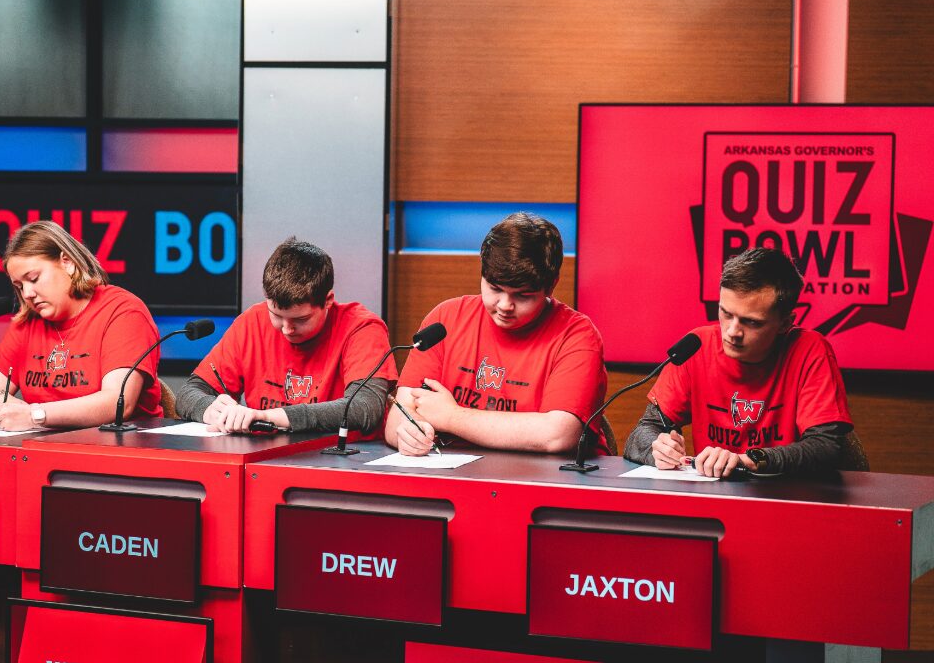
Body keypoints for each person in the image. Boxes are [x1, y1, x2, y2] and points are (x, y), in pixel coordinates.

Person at [385, 213, 609, 456]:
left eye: (522, 295)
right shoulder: (445, 319)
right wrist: (407, 434)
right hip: (455, 475)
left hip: (548, 481)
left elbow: (557, 435)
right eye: (494, 289)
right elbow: (400, 414)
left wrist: (451, 417)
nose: (504, 305)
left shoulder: (577, 335)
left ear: (551, 286)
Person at [624, 247, 853, 478]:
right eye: (725, 313)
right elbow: (642, 432)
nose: (733, 332)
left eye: (751, 323)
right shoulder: (696, 347)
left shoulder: (810, 350)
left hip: (786, 495)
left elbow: (826, 448)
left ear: (785, 324)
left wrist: (749, 460)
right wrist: (657, 448)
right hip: (715, 498)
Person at [175, 237, 396, 434]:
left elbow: (365, 409)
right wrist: (212, 410)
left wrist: (269, 417)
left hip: (341, 463)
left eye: (300, 320)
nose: (287, 329)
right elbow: (188, 393)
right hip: (261, 462)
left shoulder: (362, 328)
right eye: (277, 315)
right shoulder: (252, 321)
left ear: (327, 301)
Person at [0, 220, 162, 430]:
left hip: (122, 450)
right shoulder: (29, 321)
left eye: (33, 279)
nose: (27, 294)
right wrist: (0, 402)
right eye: (19, 286)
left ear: (67, 262)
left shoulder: (123, 311)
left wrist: (35, 415)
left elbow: (117, 403)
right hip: (47, 448)